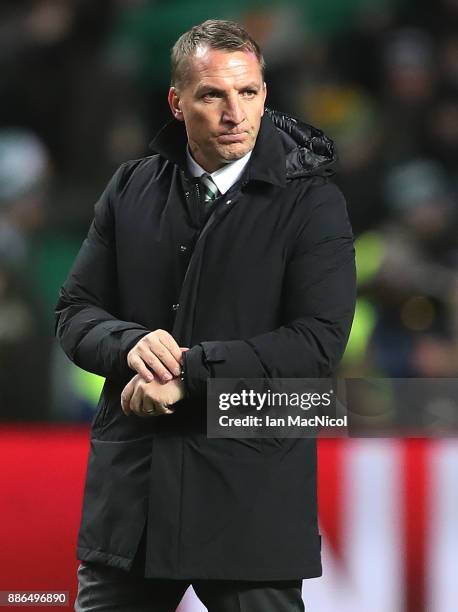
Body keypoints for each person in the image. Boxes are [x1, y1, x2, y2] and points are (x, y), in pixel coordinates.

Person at [55, 19, 356, 612]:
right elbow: (75, 312)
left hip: (250, 503)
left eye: (248, 93)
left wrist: (187, 375)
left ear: (265, 94)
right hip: (132, 504)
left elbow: (316, 345)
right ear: (176, 102)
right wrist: (129, 346)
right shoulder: (129, 188)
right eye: (213, 94)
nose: (234, 113)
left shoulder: (313, 202)